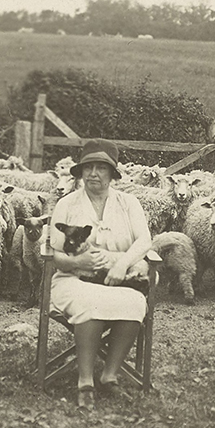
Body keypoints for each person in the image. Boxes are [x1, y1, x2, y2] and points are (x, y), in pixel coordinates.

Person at [49, 138, 152, 411]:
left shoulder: (128, 202)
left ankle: (109, 375)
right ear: (80, 172)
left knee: (134, 303)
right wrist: (76, 260)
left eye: (101, 168)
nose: (94, 173)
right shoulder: (67, 204)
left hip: (119, 277)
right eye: (88, 167)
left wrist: (122, 265)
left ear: (112, 173)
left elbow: (144, 241)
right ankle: (85, 381)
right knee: (89, 303)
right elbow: (54, 255)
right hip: (73, 278)